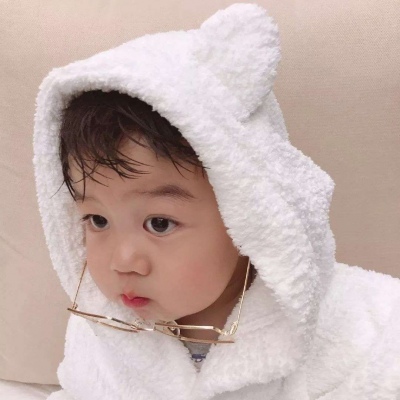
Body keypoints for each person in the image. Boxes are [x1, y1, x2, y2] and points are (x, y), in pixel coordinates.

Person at [33, 3, 400, 400]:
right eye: (97, 220)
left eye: (159, 223)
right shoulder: (102, 328)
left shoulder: (360, 326)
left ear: (246, 213)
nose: (121, 262)